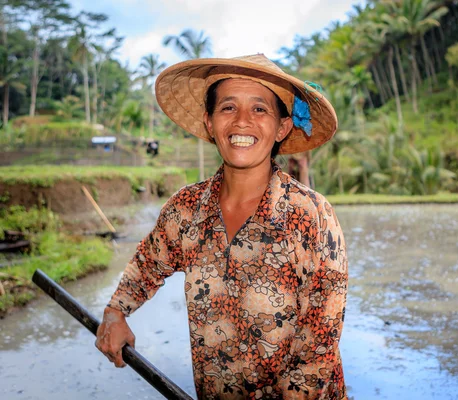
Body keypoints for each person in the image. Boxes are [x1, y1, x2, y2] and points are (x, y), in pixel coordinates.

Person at [95, 54, 348, 399]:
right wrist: (115, 312)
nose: (243, 121)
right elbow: (147, 264)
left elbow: (319, 346)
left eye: (260, 109)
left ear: (282, 128)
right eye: (228, 107)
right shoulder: (186, 209)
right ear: (210, 123)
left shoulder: (311, 216)